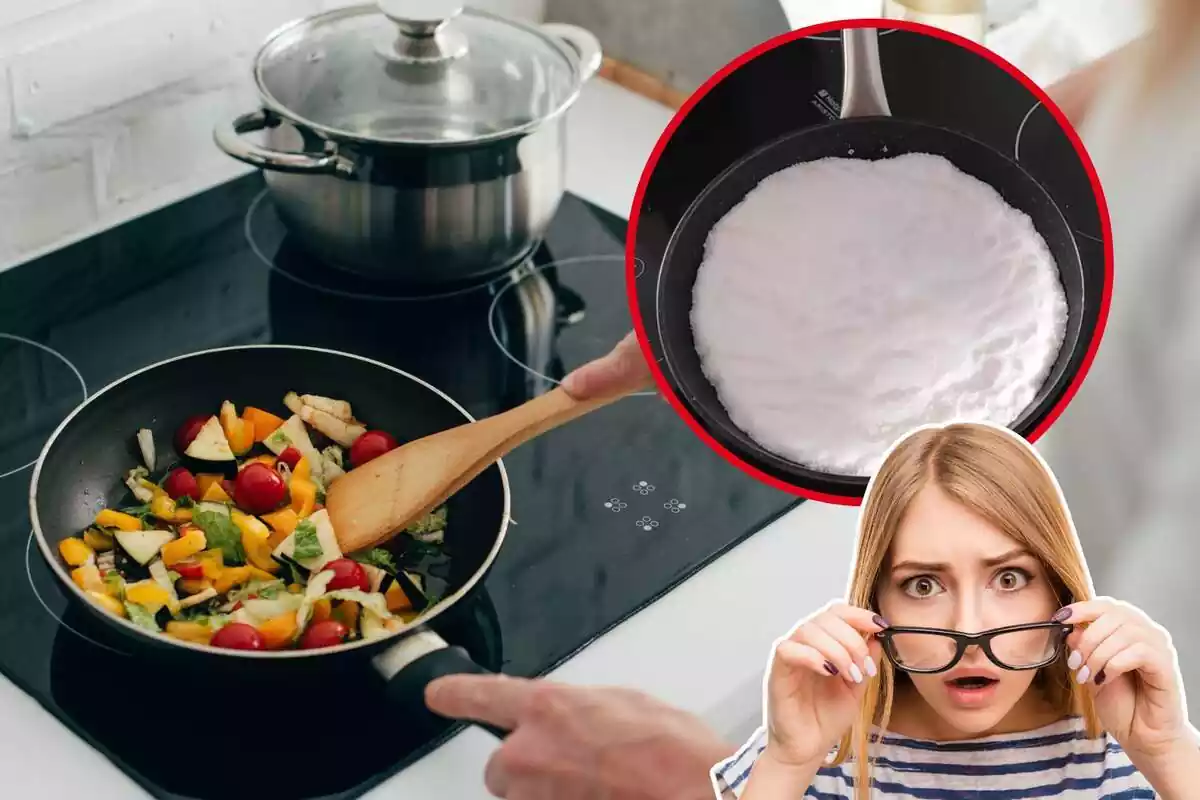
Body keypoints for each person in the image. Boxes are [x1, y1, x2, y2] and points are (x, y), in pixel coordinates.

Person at [712, 422, 1197, 799]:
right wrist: (789, 762)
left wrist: (1167, 749)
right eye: (923, 585)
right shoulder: (816, 749)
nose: (967, 629)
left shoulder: (1132, 752)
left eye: (1009, 579)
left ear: (1058, 592)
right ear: (876, 602)